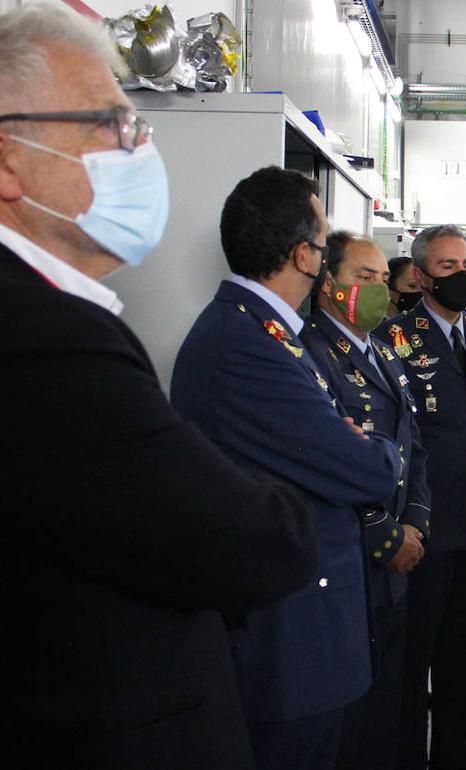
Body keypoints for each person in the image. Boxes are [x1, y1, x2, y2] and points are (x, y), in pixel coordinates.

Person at [0, 6, 318, 768]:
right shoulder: (43, 341)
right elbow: (257, 541)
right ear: (8, 164)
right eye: (108, 123)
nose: (139, 148)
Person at [171, 167, 404, 770]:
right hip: (285, 633)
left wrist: (348, 445)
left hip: (301, 617)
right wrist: (373, 450)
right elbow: (366, 469)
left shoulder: (272, 332)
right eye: (325, 244)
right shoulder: (247, 341)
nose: (326, 257)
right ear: (304, 254)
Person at [300, 231, 432, 770]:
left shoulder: (380, 348)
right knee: (357, 713)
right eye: (364, 278)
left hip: (399, 558)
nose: (378, 290)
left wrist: (416, 522)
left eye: (383, 279)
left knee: (394, 696)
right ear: (329, 283)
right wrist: (387, 536)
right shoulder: (310, 352)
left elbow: (412, 446)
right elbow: (325, 466)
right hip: (357, 558)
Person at [387, 225, 466, 770]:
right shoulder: (395, 339)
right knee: (417, 651)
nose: (460, 276)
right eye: (446, 267)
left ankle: (457, 746)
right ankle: (409, 751)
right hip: (428, 521)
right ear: (419, 276)